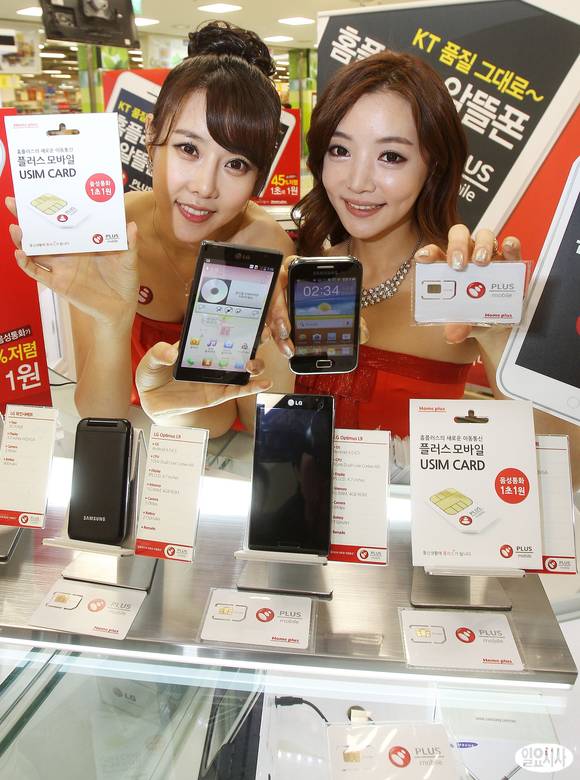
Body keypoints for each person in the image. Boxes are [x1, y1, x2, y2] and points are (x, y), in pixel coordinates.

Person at [6, 21, 294, 438]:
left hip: (212, 451)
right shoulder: (108, 234)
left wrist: (270, 335)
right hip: (139, 446)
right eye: (188, 149)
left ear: (259, 177)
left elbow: (251, 420)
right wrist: (113, 320)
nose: (204, 187)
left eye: (236, 164)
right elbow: (100, 410)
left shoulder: (264, 247)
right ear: (151, 137)